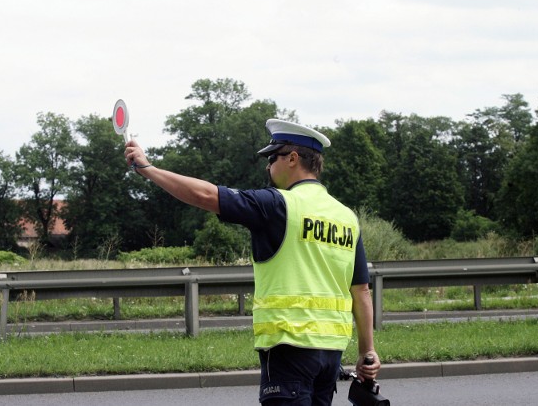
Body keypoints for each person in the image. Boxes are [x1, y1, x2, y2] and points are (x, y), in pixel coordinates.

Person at [124, 118, 381, 405]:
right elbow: (361, 291)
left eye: (272, 158)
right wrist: (367, 352)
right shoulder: (346, 217)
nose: (268, 167)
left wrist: (149, 170)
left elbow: (207, 194)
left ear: (293, 158)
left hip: (288, 347)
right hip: (331, 354)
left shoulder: (278, 204)